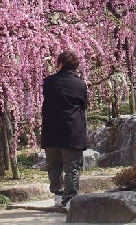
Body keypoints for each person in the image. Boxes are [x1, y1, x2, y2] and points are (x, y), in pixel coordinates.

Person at [41, 50, 88, 208]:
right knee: (72, 166)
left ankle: (57, 195)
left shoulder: (48, 82)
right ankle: (69, 199)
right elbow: (83, 105)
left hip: (51, 131)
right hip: (72, 131)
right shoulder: (80, 84)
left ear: (60, 64)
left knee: (54, 165)